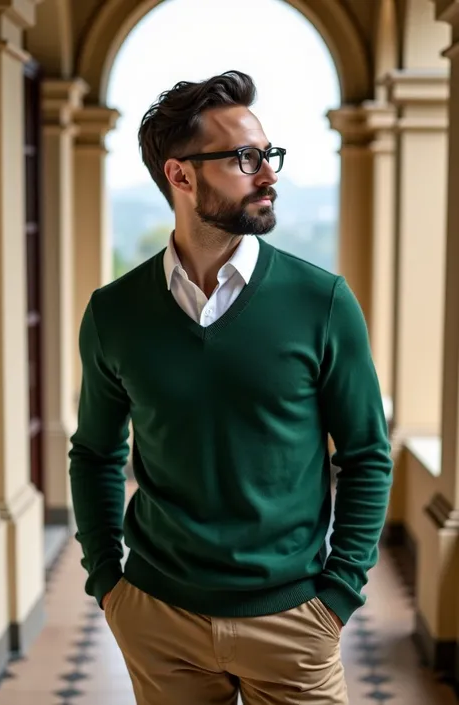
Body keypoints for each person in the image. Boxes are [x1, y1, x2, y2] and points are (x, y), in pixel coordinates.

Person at [69, 70, 393, 704]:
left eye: (267, 155)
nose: (268, 174)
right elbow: (96, 454)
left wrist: (337, 595)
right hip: (160, 618)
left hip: (295, 618)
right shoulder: (114, 313)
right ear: (180, 175)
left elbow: (366, 455)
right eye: (244, 159)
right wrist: (108, 581)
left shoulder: (321, 302)